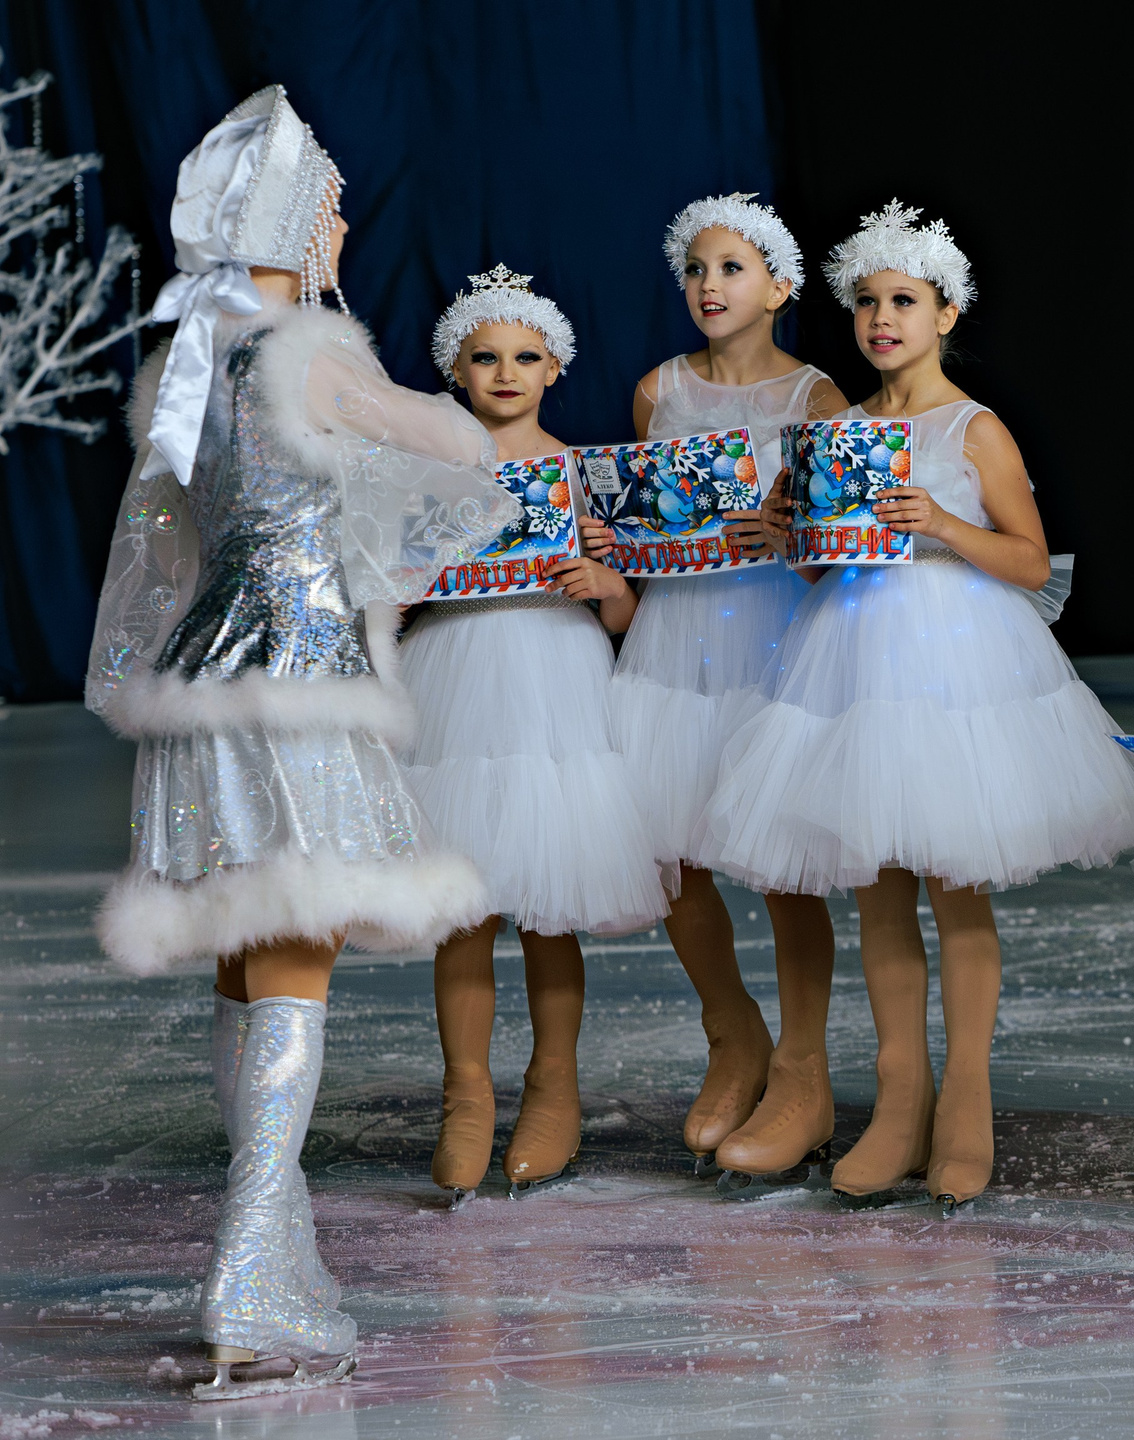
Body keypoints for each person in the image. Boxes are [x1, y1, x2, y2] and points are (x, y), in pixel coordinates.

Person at [85, 86, 518, 1399]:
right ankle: (251, 1261)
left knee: (247, 958)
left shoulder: (186, 363)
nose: (342, 215)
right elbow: (460, 456)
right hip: (299, 688)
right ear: (282, 214)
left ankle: (271, 1240)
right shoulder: (303, 350)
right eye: (326, 198)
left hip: (206, 694)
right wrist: (422, 433)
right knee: (295, 955)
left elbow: (165, 555)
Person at [700, 200, 1134, 1214]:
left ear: (945, 313)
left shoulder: (973, 428)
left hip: (958, 666)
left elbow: (1034, 563)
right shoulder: (837, 430)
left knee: (957, 886)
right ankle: (897, 1098)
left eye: (903, 301)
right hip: (855, 667)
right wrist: (794, 532)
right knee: (877, 884)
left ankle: (966, 1099)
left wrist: (944, 523)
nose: (881, 318)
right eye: (867, 302)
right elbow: (830, 570)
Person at [594, 194, 847, 1179]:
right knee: (671, 851)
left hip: (774, 638)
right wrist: (622, 546)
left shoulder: (819, 402)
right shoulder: (658, 392)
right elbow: (650, 530)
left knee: (784, 862)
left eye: (732, 267)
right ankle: (732, 1031)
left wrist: (796, 534)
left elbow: (838, 550)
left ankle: (802, 1068)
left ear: (779, 287)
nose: (709, 285)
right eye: (696, 269)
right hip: (676, 640)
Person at [401, 265, 665, 1203]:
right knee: (462, 904)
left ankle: (554, 1086)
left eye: (525, 356)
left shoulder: (584, 475)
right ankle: (465, 1091)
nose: (505, 372)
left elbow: (631, 611)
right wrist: (402, 583)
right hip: (458, 678)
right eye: (485, 358)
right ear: (456, 372)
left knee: (552, 903)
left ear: (555, 367)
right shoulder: (427, 474)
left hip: (556, 682)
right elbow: (386, 588)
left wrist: (610, 588)